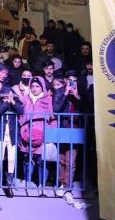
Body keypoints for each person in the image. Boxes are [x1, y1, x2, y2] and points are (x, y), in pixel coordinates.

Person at [52, 70, 87, 203]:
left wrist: (77, 95)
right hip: (63, 127)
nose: (71, 82)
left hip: (75, 128)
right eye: (69, 80)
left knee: (71, 161)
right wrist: (66, 93)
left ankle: (67, 188)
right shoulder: (60, 92)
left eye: (74, 80)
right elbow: (56, 109)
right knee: (61, 159)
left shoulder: (81, 93)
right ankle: (62, 184)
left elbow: (87, 108)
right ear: (65, 80)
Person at [19, 76, 54, 196]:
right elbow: (20, 115)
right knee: (27, 160)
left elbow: (53, 117)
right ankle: (27, 184)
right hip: (27, 135)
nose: (34, 89)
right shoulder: (25, 99)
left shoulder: (48, 99)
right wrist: (22, 129)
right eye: (32, 86)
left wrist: (50, 133)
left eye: (37, 86)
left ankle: (41, 186)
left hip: (43, 135)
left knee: (42, 161)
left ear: (42, 87)